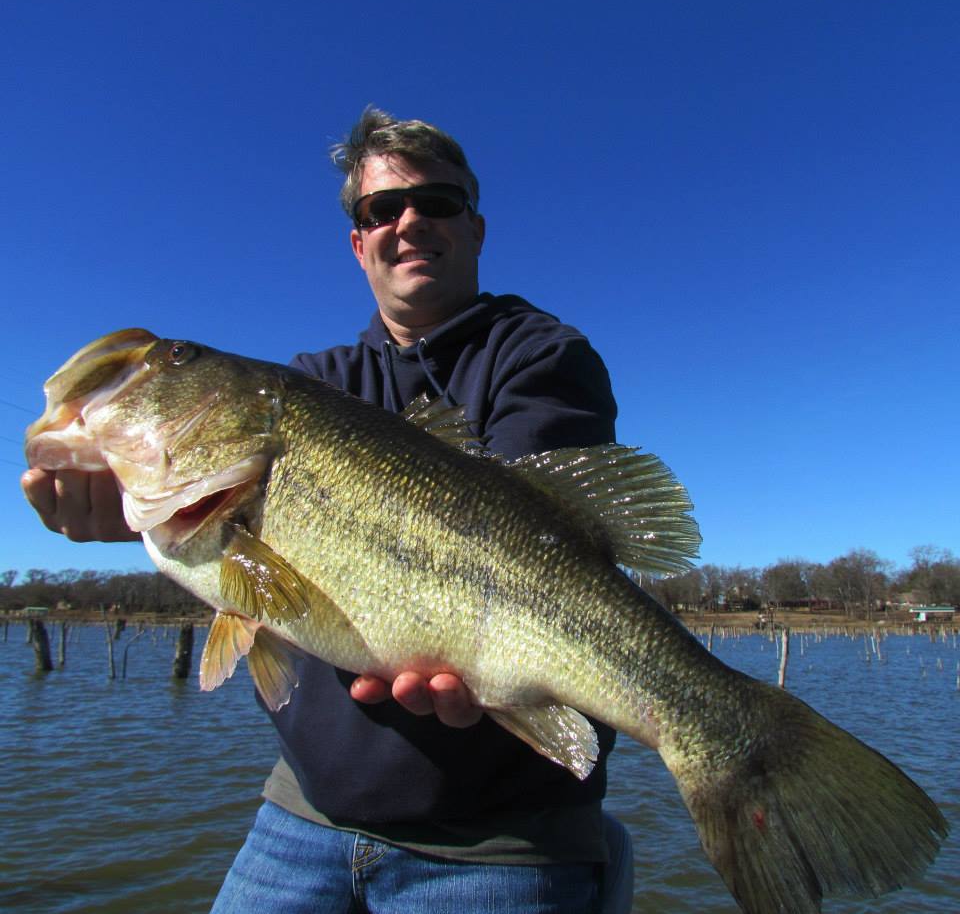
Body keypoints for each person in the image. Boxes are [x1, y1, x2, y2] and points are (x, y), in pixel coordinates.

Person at [22, 107, 631, 914]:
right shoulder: (314, 381)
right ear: (358, 243)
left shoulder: (540, 354)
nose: (408, 222)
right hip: (302, 818)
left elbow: (545, 530)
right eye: (381, 211)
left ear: (475, 228)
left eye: (435, 203)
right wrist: (115, 508)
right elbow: (239, 570)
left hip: (500, 841)